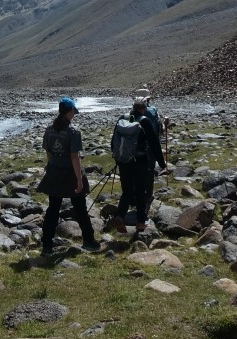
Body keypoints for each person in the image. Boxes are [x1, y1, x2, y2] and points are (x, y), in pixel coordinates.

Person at [36, 97, 101, 256]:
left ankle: (47, 246)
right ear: (70, 111)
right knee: (80, 208)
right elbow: (74, 157)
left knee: (53, 209)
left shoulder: (49, 129)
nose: (74, 114)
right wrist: (79, 180)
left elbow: (49, 152)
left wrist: (52, 168)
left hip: (54, 172)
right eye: (73, 111)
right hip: (71, 174)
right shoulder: (73, 132)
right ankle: (89, 241)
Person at [111, 96, 167, 234]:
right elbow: (154, 144)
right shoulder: (144, 121)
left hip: (124, 162)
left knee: (127, 192)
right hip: (140, 161)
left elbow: (114, 141)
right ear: (143, 109)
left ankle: (119, 216)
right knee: (141, 191)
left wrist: (118, 157)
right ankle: (141, 222)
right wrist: (162, 163)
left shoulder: (124, 119)